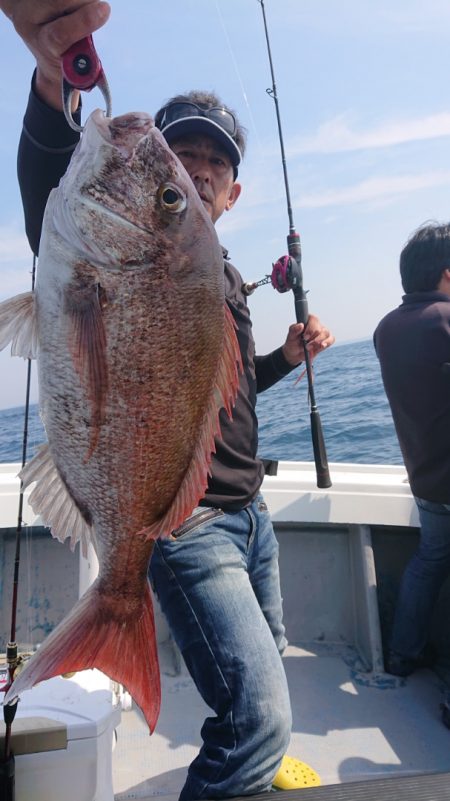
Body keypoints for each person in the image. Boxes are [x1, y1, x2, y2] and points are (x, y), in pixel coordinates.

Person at [1, 2, 334, 798]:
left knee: (273, 645)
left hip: (249, 510)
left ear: (234, 189)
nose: (194, 165)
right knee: (258, 717)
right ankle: (246, 760)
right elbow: (52, 175)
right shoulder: (97, 245)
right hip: (185, 528)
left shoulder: (210, 276)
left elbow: (225, 390)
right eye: (182, 159)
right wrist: (56, 79)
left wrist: (281, 360)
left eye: (212, 161)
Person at [374, 222, 450, 678]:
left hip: (425, 478)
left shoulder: (387, 328)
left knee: (430, 559)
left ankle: (404, 651)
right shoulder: (444, 320)